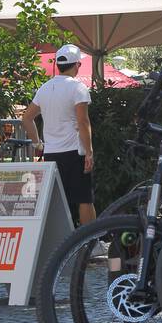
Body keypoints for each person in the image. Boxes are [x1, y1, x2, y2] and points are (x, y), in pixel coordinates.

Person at [22, 43, 95, 227]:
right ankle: (90, 243)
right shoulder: (78, 88)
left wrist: (38, 144)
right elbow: (83, 122)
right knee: (84, 199)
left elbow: (26, 118)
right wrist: (89, 152)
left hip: (51, 153)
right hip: (74, 151)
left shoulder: (44, 89)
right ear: (77, 65)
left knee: (55, 202)